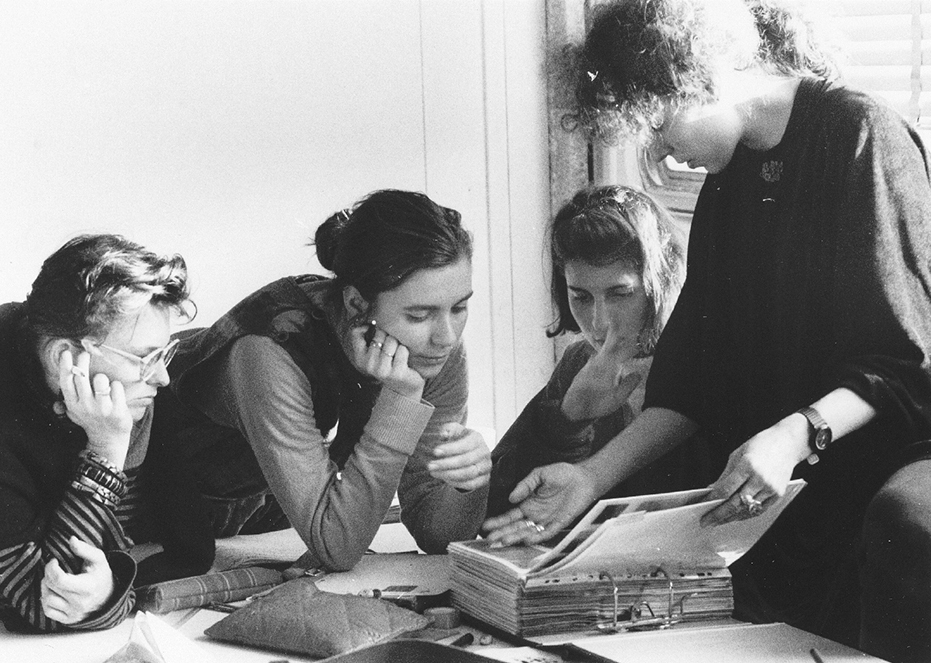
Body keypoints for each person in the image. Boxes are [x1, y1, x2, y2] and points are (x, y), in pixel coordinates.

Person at [483, 1, 931, 660]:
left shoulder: (861, 134)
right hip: (778, 482)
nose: (660, 150)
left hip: (876, 462)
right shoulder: (729, 181)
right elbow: (695, 379)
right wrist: (590, 477)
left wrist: (793, 434)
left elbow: (901, 360)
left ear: (706, 75)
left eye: (659, 123)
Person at [163, 189, 490, 572]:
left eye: (460, 307)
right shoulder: (270, 350)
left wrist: (470, 483)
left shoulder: (430, 352)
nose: (446, 336)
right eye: (419, 316)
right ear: (356, 305)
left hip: (262, 519)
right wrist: (401, 400)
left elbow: (436, 533)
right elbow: (338, 547)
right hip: (153, 509)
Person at [0, 234, 214, 632]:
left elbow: (189, 550)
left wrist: (109, 595)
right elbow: (38, 604)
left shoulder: (125, 391)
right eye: (146, 358)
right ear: (67, 358)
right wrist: (106, 449)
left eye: (164, 354)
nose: (163, 377)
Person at [487, 184, 711, 518]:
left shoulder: (705, 360)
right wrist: (567, 422)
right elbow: (497, 508)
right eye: (580, 297)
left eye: (620, 294)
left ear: (660, 281)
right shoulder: (579, 362)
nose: (599, 322)